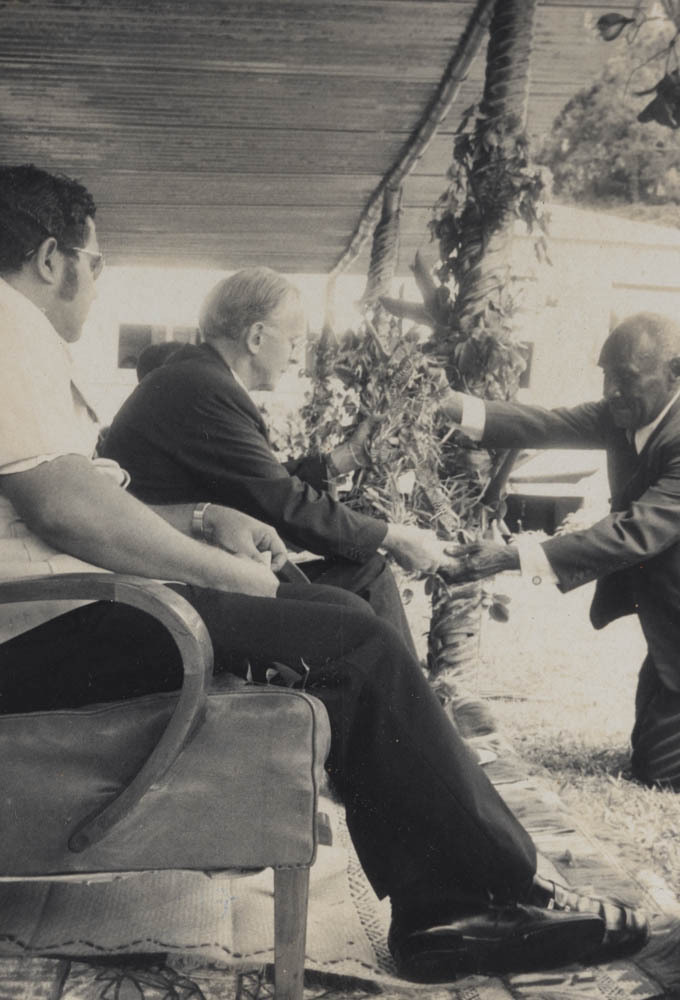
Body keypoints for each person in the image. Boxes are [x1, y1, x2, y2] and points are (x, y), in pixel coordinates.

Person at [0, 164, 647, 982]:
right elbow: (64, 512)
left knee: (339, 620)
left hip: (53, 605)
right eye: (97, 265)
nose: (97, 284)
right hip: (36, 622)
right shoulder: (9, 324)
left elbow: (49, 501)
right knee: (347, 634)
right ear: (52, 258)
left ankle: (451, 886)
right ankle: (474, 900)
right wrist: (221, 572)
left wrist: (204, 520)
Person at [101, 267, 445, 656]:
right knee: (366, 580)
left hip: (176, 578)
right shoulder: (205, 389)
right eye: (295, 341)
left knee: (364, 576)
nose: (297, 357)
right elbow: (282, 503)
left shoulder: (195, 377)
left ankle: (401, 707)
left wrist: (345, 458)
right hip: (173, 597)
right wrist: (394, 536)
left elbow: (259, 483)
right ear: (257, 337)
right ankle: (405, 709)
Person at [437, 313, 680, 790]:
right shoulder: (625, 413)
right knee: (649, 754)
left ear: (675, 371)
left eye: (626, 376)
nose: (611, 389)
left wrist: (511, 557)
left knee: (659, 771)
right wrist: (449, 405)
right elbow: (545, 424)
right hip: (669, 620)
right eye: (606, 375)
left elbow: (634, 533)